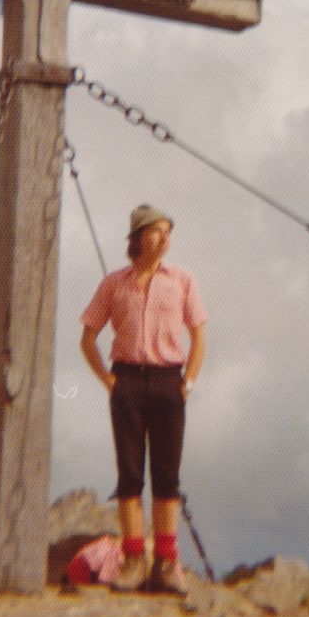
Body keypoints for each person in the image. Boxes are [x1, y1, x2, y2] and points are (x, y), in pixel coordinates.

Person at [80, 205, 207, 595]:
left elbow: (199, 335)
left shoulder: (182, 280)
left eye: (168, 232)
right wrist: (109, 380)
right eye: (156, 232)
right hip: (128, 380)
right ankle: (134, 560)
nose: (165, 239)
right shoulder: (114, 284)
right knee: (130, 474)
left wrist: (187, 382)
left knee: (167, 474)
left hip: (169, 380)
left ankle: (167, 563)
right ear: (137, 238)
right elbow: (88, 336)